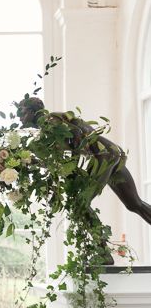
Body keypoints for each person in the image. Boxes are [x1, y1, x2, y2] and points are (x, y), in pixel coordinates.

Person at [16, 97, 151, 261]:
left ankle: (103, 254)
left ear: (33, 110)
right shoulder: (50, 125)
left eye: (21, 112)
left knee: (79, 204)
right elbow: (63, 156)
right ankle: (102, 252)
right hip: (112, 154)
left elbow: (77, 134)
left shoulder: (49, 121)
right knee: (134, 204)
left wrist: (71, 166)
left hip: (104, 157)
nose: (19, 117)